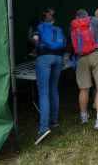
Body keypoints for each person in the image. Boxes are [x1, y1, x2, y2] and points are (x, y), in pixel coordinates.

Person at [70, 9, 98, 130]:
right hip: (97, 54)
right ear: (87, 16)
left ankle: (84, 117)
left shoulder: (72, 24)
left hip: (80, 57)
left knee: (84, 89)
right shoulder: (95, 20)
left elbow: (71, 43)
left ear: (76, 17)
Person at [32, 8, 66, 144]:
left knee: (44, 91)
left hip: (44, 57)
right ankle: (54, 120)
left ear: (41, 19)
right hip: (59, 58)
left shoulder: (39, 26)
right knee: (53, 88)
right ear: (52, 21)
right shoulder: (57, 28)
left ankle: (44, 128)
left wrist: (38, 45)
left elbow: (34, 38)